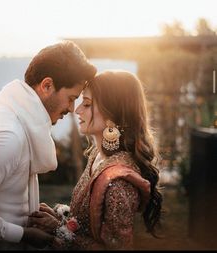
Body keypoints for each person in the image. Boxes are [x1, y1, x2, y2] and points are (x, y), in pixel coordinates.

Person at [28, 70, 163, 250]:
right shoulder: (98, 156)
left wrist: (58, 229)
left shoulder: (119, 182)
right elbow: (91, 223)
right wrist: (60, 217)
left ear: (112, 114)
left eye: (87, 103)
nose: (76, 109)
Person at [0, 40, 96, 250]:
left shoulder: (16, 120)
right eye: (71, 98)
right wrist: (21, 234)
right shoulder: (8, 135)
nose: (71, 109)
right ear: (47, 86)